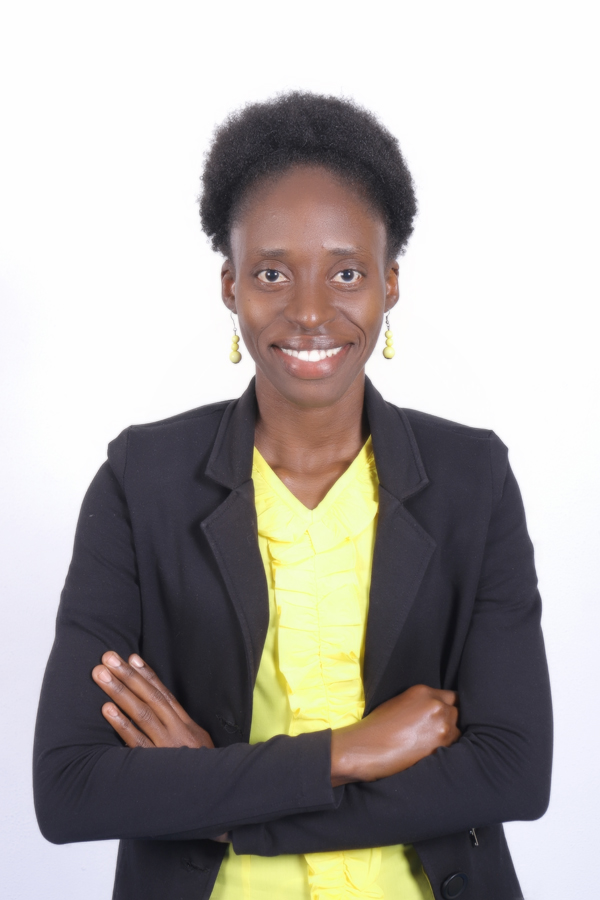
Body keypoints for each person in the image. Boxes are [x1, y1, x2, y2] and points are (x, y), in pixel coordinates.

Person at [33, 92, 552, 900]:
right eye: (272, 273)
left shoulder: (471, 479)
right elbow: (69, 788)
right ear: (230, 285)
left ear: (389, 284)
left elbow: (513, 773)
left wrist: (220, 802)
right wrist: (348, 751)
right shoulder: (143, 480)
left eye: (347, 273)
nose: (310, 311)